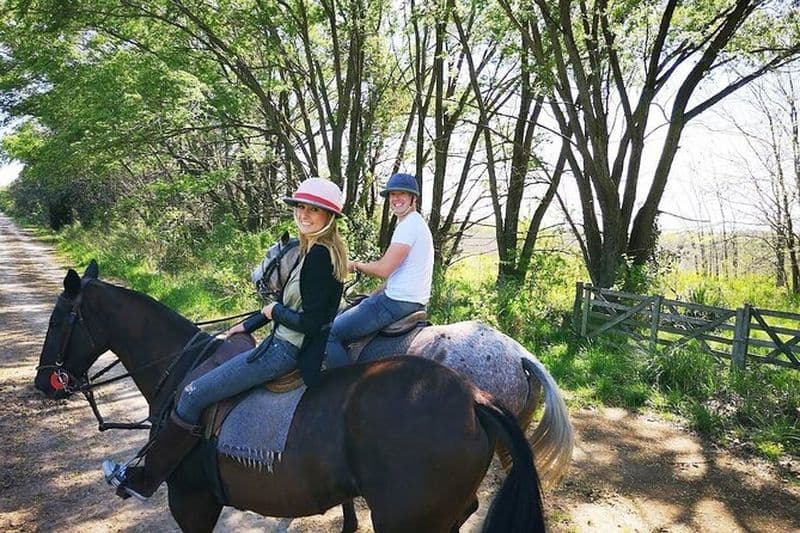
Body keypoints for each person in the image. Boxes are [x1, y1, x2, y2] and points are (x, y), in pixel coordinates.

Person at [102, 177, 348, 500]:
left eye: (314, 210)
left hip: (285, 351)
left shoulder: (317, 257)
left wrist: (273, 312)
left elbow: (312, 321)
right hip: (283, 342)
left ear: (328, 216)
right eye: (301, 207)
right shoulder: (312, 248)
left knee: (191, 394)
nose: (303, 214)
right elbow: (288, 305)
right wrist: (248, 324)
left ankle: (144, 480)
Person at [326, 172, 434, 368]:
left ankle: (343, 386)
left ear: (413, 199)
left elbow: (384, 269)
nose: (396, 199)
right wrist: (377, 291)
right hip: (409, 298)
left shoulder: (409, 226)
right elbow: (400, 272)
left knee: (330, 334)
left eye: (402, 194)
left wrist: (354, 265)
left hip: (397, 302)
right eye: (393, 195)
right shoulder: (415, 223)